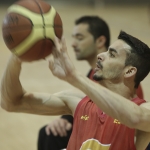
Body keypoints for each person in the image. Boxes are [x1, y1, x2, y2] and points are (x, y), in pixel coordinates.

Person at [1, 30, 150, 149]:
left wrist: (74, 76)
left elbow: (133, 117)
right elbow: (11, 102)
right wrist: (16, 57)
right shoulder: (77, 101)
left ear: (129, 71)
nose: (100, 55)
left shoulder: (144, 111)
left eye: (111, 54)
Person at [37, 16, 145, 150]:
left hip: (112, 136)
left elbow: (133, 116)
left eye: (80, 38)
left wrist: (74, 77)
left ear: (100, 40)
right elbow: (86, 105)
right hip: (94, 130)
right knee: (49, 132)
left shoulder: (128, 87)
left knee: (52, 136)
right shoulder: (94, 75)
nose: (73, 44)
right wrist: (65, 119)